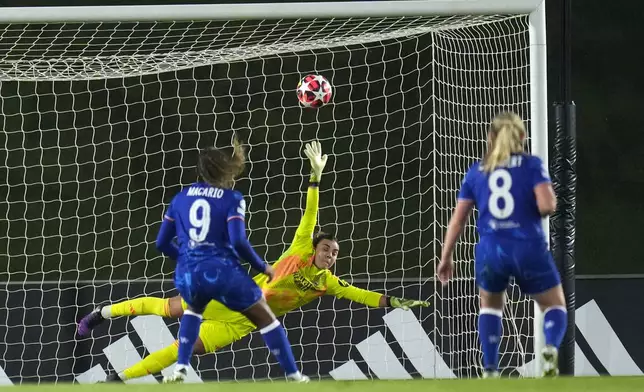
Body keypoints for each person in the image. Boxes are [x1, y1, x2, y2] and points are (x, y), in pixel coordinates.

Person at [78, 141, 429, 382]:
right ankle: (102, 313)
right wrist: (315, 176)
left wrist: (391, 301)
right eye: (327, 249)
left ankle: (119, 378)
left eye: (335, 254)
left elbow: (361, 296)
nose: (331, 255)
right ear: (316, 248)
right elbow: (310, 213)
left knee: (178, 350)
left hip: (239, 324)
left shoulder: (327, 283)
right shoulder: (297, 252)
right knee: (166, 308)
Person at [149, 138, 306, 383]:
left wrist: (185, 258)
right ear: (225, 170)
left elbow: (160, 243)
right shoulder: (232, 198)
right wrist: (263, 267)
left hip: (189, 272)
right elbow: (239, 242)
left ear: (200, 171)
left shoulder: (180, 198)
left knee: (193, 310)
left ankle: (181, 367)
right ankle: (294, 375)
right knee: (266, 318)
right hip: (222, 272)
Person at [436, 112, 567, 378]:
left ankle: (491, 368)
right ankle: (551, 349)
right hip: (527, 246)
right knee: (554, 305)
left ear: (491, 137)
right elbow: (547, 205)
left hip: (491, 250)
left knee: (490, 306)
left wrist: (446, 257)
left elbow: (457, 220)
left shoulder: (477, 170)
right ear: (522, 136)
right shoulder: (532, 165)